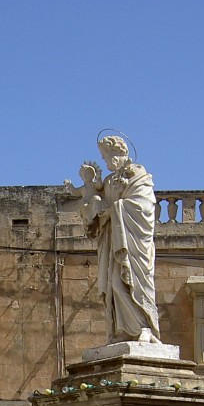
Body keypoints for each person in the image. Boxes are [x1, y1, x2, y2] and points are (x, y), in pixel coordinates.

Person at [74, 134, 162, 344]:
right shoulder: (108, 181)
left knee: (134, 281)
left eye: (106, 156)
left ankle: (145, 327)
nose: (105, 161)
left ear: (118, 153)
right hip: (114, 238)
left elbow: (143, 206)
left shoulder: (137, 174)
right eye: (103, 157)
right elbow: (96, 204)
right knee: (114, 282)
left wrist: (113, 209)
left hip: (133, 240)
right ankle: (124, 330)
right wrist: (92, 205)